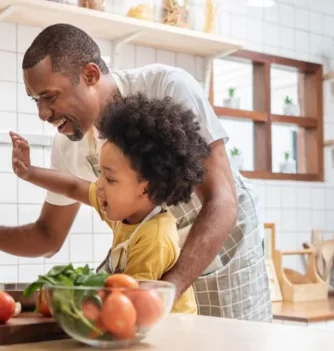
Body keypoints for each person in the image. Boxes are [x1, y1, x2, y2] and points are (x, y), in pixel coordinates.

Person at [0, 23, 272, 322]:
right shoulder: (68, 144)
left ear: (91, 74)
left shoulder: (166, 88)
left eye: (50, 96)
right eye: (36, 101)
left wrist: (171, 287)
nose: (43, 114)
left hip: (223, 253)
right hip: (153, 270)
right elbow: (48, 236)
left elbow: (222, 200)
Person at [11, 93, 211, 315]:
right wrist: (29, 173)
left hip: (173, 335)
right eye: (101, 174)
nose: (99, 184)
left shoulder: (155, 237)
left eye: (110, 178)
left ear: (145, 188)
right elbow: (73, 187)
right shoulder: (125, 208)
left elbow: (130, 305)